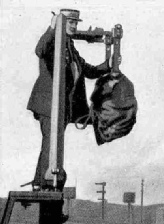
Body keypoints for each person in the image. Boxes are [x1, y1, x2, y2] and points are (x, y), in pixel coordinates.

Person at [26, 9, 110, 191]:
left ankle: (42, 184)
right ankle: (48, 185)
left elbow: (86, 69)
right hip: (49, 105)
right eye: (69, 22)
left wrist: (108, 66)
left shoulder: (68, 45)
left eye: (75, 23)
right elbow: (39, 50)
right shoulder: (52, 41)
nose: (73, 26)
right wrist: (52, 28)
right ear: (60, 23)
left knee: (51, 144)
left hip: (62, 107)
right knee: (51, 144)